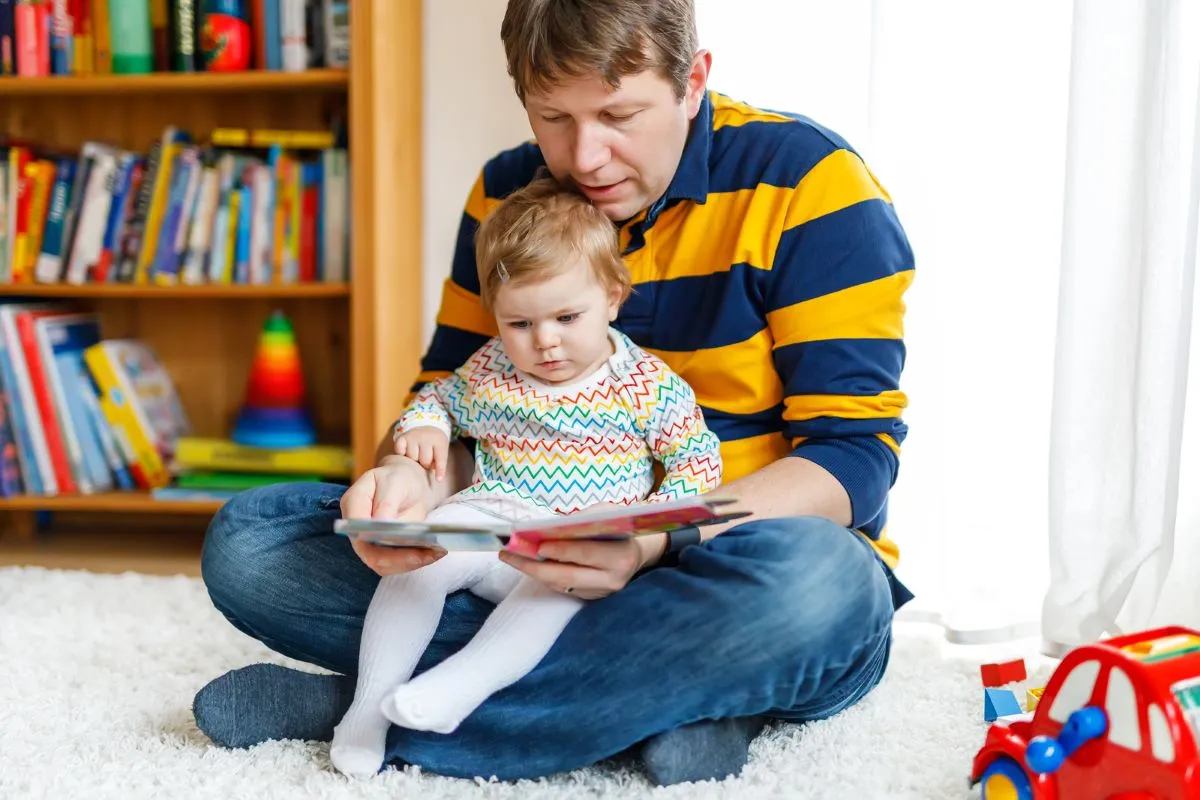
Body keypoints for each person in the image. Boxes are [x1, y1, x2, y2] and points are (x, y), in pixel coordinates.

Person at [192, 0, 915, 786]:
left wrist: (651, 537)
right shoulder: (510, 199)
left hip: (723, 559)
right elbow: (448, 402)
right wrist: (406, 487)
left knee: (824, 588)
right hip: (525, 549)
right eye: (553, 117)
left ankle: (369, 712)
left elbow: (852, 464)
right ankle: (660, 707)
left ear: (693, 81)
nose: (587, 156)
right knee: (248, 543)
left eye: (619, 114)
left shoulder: (809, 185)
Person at [328, 175, 722, 777]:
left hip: (574, 546)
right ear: (496, 315)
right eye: (519, 324)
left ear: (613, 296)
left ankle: (456, 688)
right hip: (487, 520)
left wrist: (641, 533)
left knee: (556, 594)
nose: (545, 343)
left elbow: (697, 469)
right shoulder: (489, 365)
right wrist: (423, 434)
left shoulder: (646, 384)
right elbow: (439, 400)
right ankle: (366, 711)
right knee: (418, 559)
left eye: (567, 316)